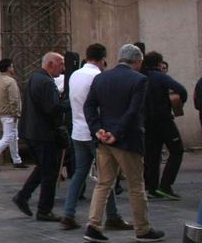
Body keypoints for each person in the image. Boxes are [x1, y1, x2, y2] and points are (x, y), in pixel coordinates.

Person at [83, 44, 165, 242]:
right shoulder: (139, 79)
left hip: (104, 140)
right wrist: (116, 133)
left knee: (103, 183)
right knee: (136, 185)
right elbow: (133, 111)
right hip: (127, 140)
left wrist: (98, 129)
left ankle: (93, 225)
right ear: (137, 61)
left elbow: (89, 106)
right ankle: (142, 229)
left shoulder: (101, 77)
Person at [59, 44, 131, 231]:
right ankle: (113, 216)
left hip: (78, 131)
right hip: (95, 131)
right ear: (103, 59)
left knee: (80, 174)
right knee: (106, 176)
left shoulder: (75, 75)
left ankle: (68, 213)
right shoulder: (98, 77)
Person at [13, 52, 68, 222]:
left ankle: (23, 196)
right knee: (50, 172)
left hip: (32, 132)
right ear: (51, 64)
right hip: (43, 134)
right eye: (61, 64)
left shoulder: (35, 78)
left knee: (44, 167)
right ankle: (44, 210)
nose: (63, 69)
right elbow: (52, 109)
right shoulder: (45, 81)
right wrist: (68, 103)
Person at [141, 51, 187, 200]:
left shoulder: (141, 78)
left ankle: (151, 188)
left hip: (147, 122)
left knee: (152, 155)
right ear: (159, 63)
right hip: (164, 120)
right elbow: (181, 90)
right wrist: (176, 102)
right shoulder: (161, 77)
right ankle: (166, 185)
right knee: (177, 150)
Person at [0, 58, 25, 171]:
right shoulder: (10, 81)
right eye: (12, 66)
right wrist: (16, 113)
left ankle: (17, 160)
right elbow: (14, 99)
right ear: (8, 68)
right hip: (9, 113)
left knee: (13, 136)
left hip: (2, 112)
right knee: (8, 137)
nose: (13, 68)